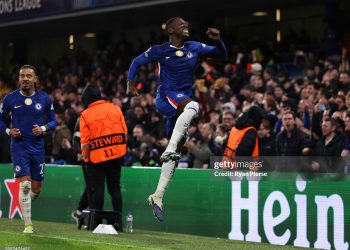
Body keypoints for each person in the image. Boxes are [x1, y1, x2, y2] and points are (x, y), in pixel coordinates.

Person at [126, 17, 227, 221]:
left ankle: (158, 196)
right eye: (181, 24)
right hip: (166, 99)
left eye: (187, 24)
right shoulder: (160, 50)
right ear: (171, 29)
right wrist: (130, 83)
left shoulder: (195, 47)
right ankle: (170, 147)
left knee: (175, 155)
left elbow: (221, 55)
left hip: (180, 109)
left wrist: (219, 40)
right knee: (193, 106)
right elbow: (136, 61)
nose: (186, 26)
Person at [0, 65, 57, 233]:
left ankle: (24, 205)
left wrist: (44, 128)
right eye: (22, 76)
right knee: (24, 185)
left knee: (36, 189)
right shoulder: (10, 99)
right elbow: (1, 121)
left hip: (38, 147)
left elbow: (54, 121)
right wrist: (9, 131)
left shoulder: (45, 99)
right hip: (19, 146)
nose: (25, 78)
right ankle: (28, 225)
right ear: (19, 79)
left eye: (28, 76)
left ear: (35, 79)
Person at [80, 84, 127, 231]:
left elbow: (85, 142)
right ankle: (118, 223)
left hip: (97, 158)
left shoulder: (85, 114)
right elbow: (124, 133)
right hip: (116, 155)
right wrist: (119, 151)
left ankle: (97, 223)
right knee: (114, 188)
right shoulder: (115, 108)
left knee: (97, 190)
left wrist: (86, 160)